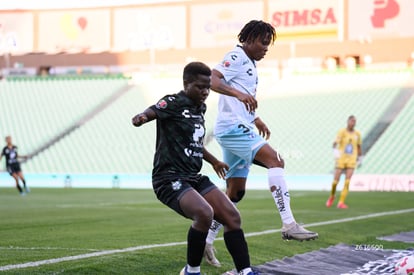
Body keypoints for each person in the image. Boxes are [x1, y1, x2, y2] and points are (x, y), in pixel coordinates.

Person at [203, 20, 318, 267]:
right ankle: (289, 224)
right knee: (275, 160)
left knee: (235, 193)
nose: (266, 48)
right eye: (263, 42)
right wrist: (240, 95)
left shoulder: (251, 64)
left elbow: (242, 96)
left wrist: (256, 119)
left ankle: (206, 240)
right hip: (233, 128)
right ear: (248, 39)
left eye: (269, 44)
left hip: (237, 126)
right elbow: (212, 80)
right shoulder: (236, 55)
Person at [131, 62, 255, 275]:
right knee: (204, 213)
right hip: (168, 177)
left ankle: (245, 272)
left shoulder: (200, 107)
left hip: (193, 176)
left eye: (207, 87)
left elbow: (193, 142)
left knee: (232, 216)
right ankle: (191, 271)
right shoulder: (172, 102)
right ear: (186, 83)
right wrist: (142, 117)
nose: (205, 92)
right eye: (200, 87)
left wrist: (214, 161)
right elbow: (151, 112)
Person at [326, 115, 362, 209]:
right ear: (348, 122)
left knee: (347, 181)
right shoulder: (342, 132)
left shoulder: (357, 134)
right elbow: (335, 143)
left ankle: (341, 202)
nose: (353, 123)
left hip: (352, 159)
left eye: (354, 121)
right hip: (341, 159)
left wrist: (360, 158)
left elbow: (358, 146)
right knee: (335, 181)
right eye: (351, 121)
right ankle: (332, 196)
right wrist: (335, 150)